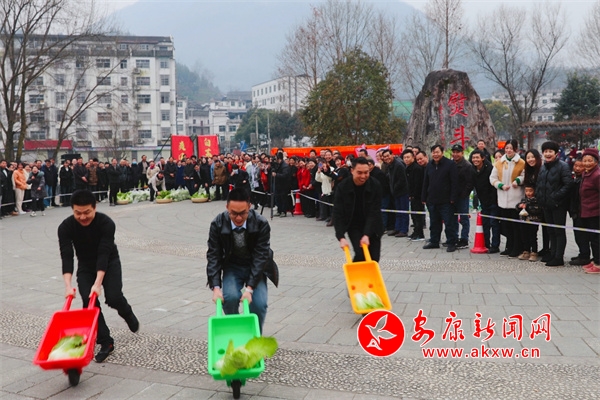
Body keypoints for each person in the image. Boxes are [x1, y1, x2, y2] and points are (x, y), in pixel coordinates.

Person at [58, 190, 139, 363]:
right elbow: (66, 256)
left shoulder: (106, 223)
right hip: (86, 266)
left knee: (114, 297)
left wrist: (98, 283)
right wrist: (68, 286)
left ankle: (127, 312)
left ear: (94, 208)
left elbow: (104, 253)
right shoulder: (65, 227)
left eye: (87, 212)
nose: (82, 217)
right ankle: (105, 341)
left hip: (109, 262)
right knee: (89, 303)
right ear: (72, 210)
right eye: (78, 213)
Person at [206, 188, 278, 332]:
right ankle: (237, 332)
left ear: (249, 207)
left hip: (256, 266)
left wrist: (249, 289)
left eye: (243, 213)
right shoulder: (218, 224)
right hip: (232, 266)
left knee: (259, 304)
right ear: (227, 207)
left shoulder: (261, 223)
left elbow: (261, 256)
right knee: (229, 298)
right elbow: (214, 255)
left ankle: (255, 336)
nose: (238, 218)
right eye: (233, 213)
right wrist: (216, 287)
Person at [333, 157, 384, 262]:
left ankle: (364, 273)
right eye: (359, 173)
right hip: (354, 225)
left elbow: (374, 212)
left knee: (373, 259)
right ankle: (356, 272)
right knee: (361, 254)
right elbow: (338, 213)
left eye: (366, 172)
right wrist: (341, 237)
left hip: (373, 225)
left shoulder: (375, 185)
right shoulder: (343, 187)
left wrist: (367, 234)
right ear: (352, 171)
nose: (363, 176)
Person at [535, 141, 573, 267]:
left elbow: (568, 185)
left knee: (559, 231)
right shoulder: (543, 167)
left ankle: (558, 257)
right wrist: (540, 197)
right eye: (545, 151)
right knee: (550, 231)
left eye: (550, 151)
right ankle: (552, 253)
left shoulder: (563, 166)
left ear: (556, 153)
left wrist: (555, 197)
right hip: (546, 205)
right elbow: (539, 184)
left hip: (558, 205)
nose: (548, 154)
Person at [490, 140, 525, 258]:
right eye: (507, 148)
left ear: (515, 149)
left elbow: (524, 175)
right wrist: (500, 185)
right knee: (506, 226)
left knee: (515, 226)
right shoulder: (499, 163)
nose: (508, 150)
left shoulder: (521, 162)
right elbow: (492, 178)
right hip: (503, 199)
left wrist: (518, 181)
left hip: (516, 198)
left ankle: (516, 247)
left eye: (511, 148)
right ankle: (509, 247)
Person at [422, 145, 459, 252]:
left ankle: (451, 242)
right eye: (433, 152)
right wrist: (424, 197)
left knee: (449, 223)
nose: (435, 154)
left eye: (437, 152)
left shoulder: (450, 164)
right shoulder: (429, 165)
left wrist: (453, 197)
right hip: (432, 200)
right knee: (434, 223)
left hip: (446, 200)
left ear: (442, 152)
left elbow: (454, 182)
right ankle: (434, 241)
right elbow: (425, 182)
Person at [471, 150, 500, 253]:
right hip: (483, 201)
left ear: (483, 158)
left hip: (493, 201)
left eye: (477, 157)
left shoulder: (490, 169)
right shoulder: (473, 170)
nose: (475, 160)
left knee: (494, 223)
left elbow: (493, 186)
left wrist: (494, 200)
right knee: (485, 223)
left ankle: (495, 246)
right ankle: (486, 244)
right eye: (473, 158)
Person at [579, 148, 600, 273]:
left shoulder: (597, 175)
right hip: (587, 210)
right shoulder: (586, 173)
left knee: (596, 239)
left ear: (596, 161)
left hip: (595, 212)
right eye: (585, 160)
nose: (587, 163)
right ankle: (595, 260)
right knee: (592, 238)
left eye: (590, 160)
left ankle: (598, 263)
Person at [381, 149, 409, 238]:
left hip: (402, 192)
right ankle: (398, 228)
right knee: (398, 211)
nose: (386, 158)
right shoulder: (390, 165)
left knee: (403, 211)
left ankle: (403, 230)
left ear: (392, 155)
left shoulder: (398, 165)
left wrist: (394, 188)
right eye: (384, 157)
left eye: (388, 156)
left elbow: (402, 180)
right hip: (395, 193)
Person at [451, 144, 474, 249]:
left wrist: (464, 194)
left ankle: (464, 239)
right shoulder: (451, 164)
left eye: (458, 152)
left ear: (462, 153)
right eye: (454, 152)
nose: (455, 154)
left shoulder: (467, 166)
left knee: (464, 218)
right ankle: (454, 238)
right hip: (452, 196)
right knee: (452, 218)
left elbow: (470, 183)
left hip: (462, 197)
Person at [516, 184, 544, 261]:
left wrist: (527, 207)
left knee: (532, 237)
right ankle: (526, 251)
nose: (528, 193)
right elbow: (517, 207)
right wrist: (519, 206)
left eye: (530, 191)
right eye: (526, 191)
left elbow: (536, 210)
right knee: (524, 236)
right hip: (523, 220)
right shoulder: (524, 200)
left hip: (533, 221)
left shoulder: (536, 200)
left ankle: (534, 252)